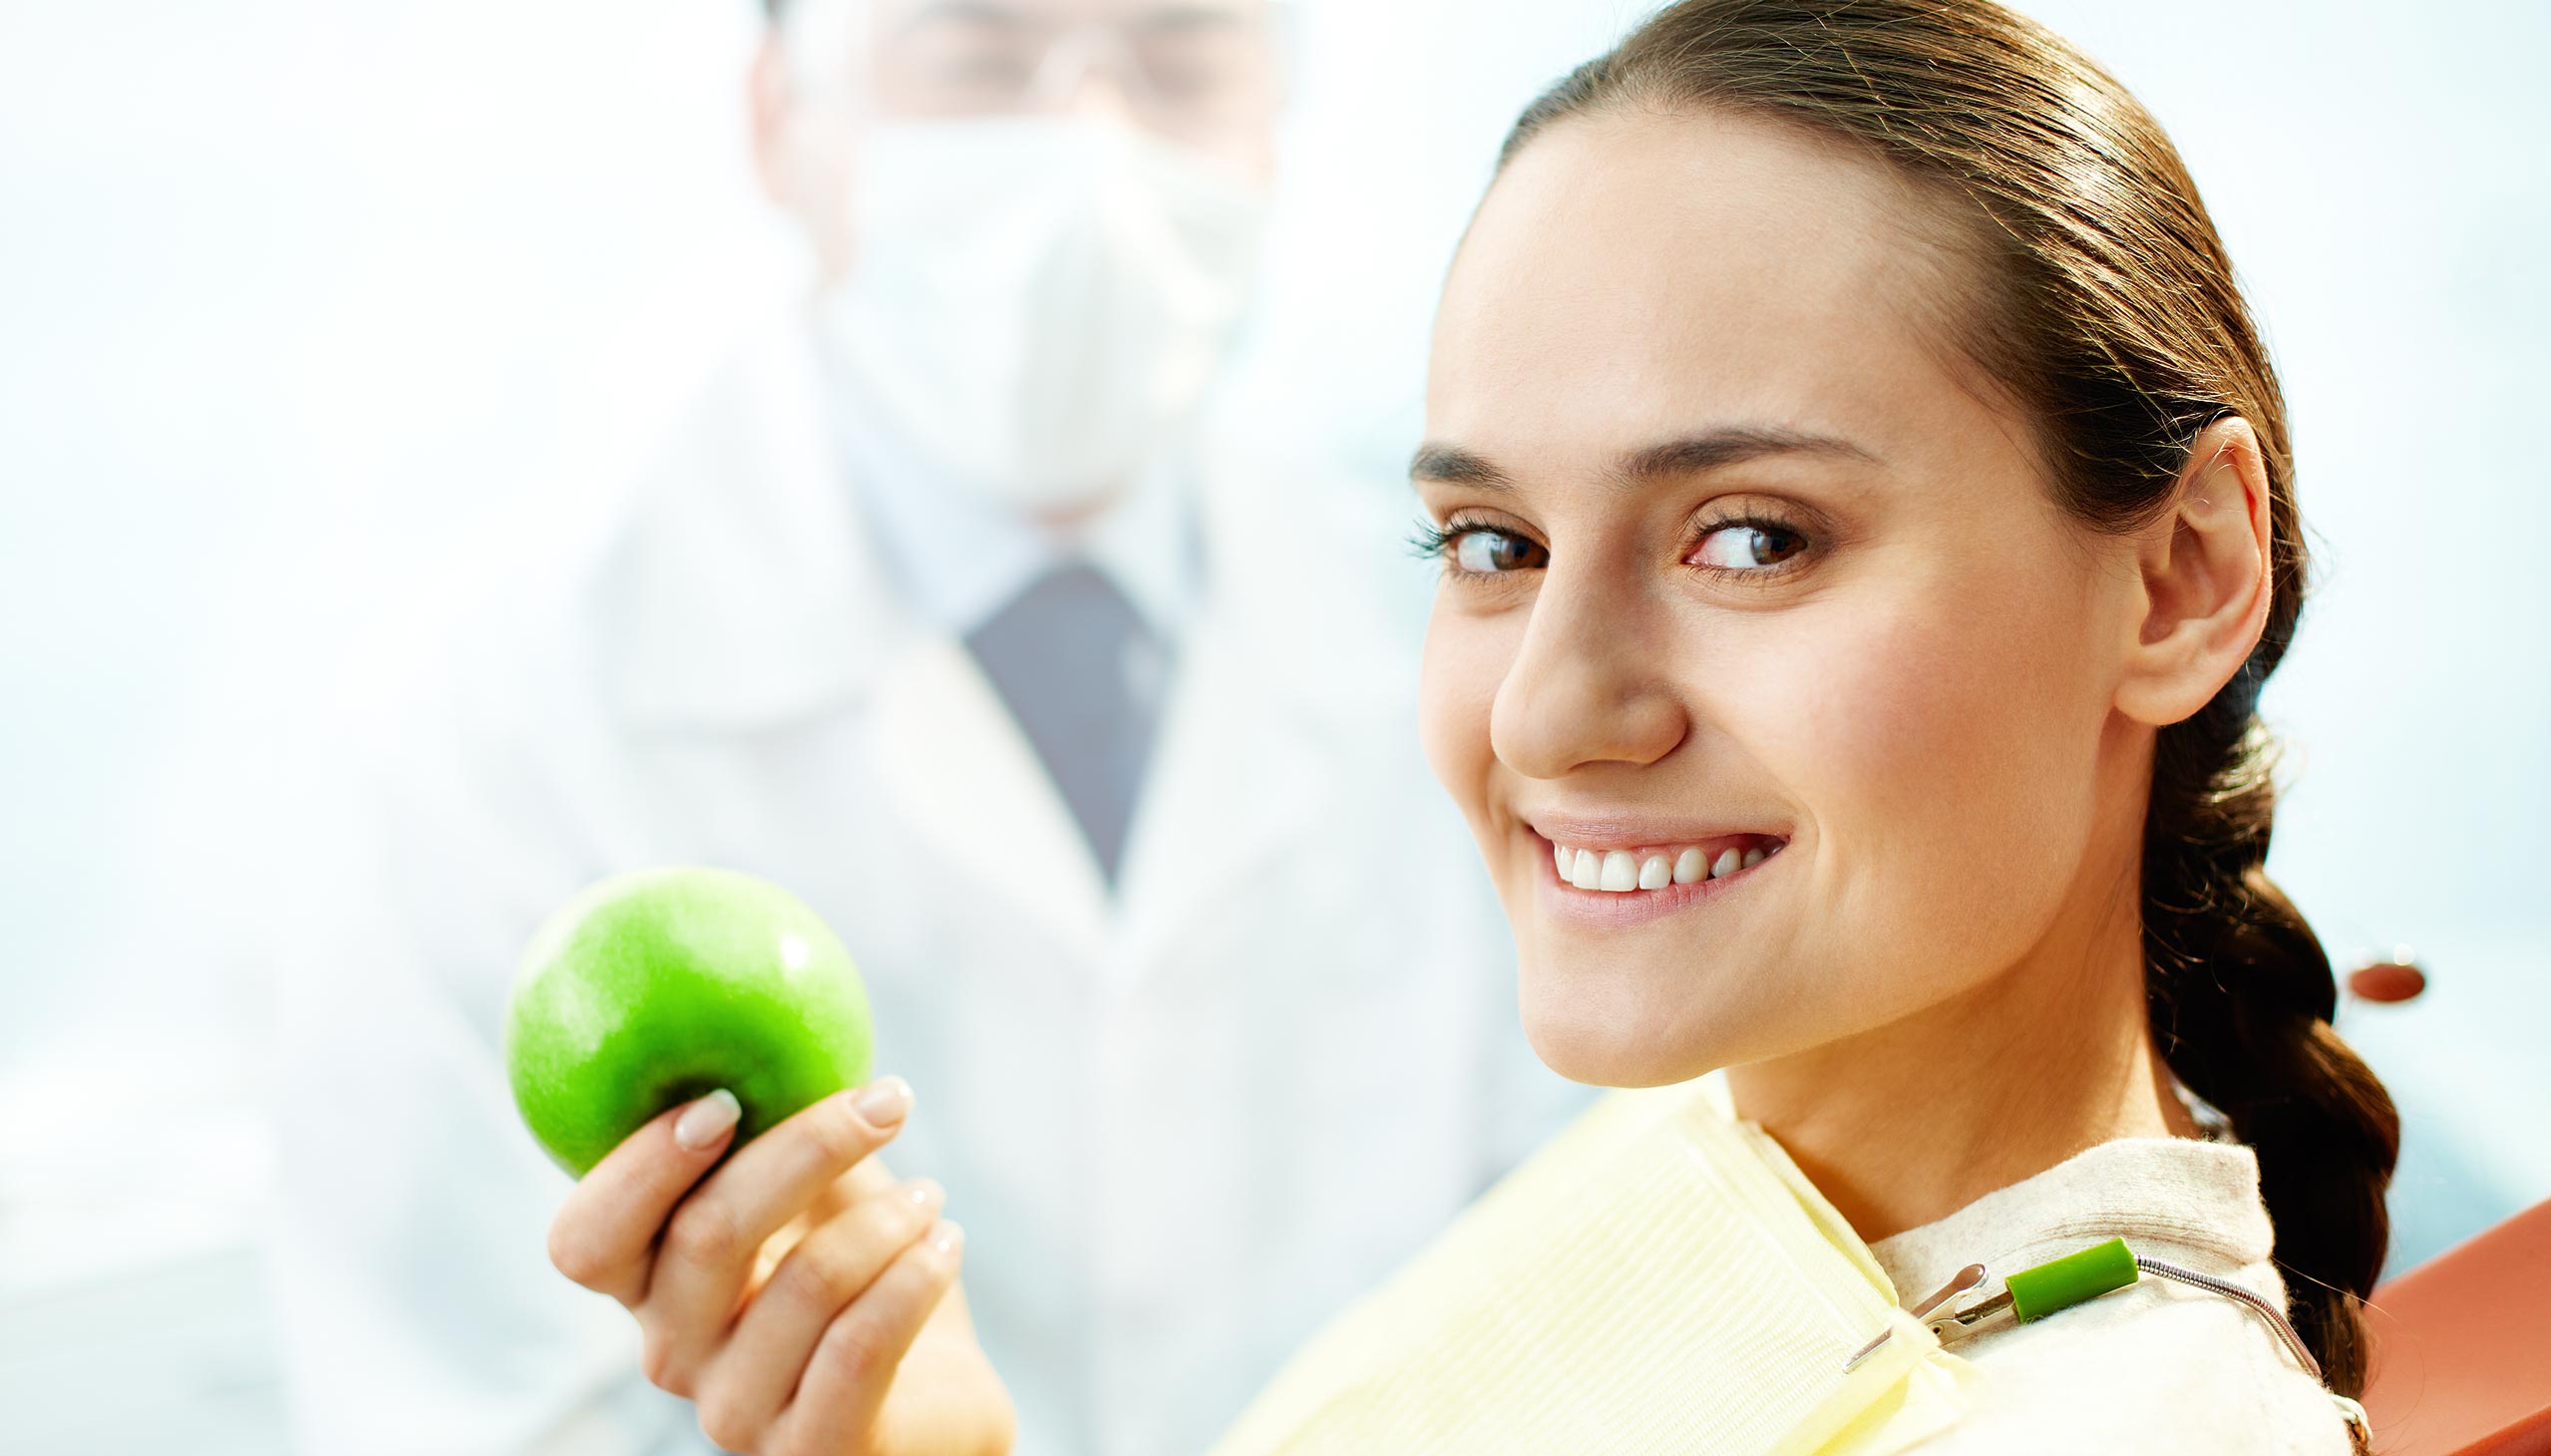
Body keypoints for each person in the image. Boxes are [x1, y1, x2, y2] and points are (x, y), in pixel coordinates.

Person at [533, 0, 2403, 1451]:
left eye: (1752, 537)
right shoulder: (1718, 1203)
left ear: (2176, 577)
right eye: (1490, 542)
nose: (1548, 707)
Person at [262, 1, 1590, 1453]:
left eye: (1178, 58)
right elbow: (460, 1405)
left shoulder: (1466, 630)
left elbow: (1613, 1277)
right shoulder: (492, 725)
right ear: (780, 123)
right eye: (976, 60)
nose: (1092, 150)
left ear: (1275, 113)